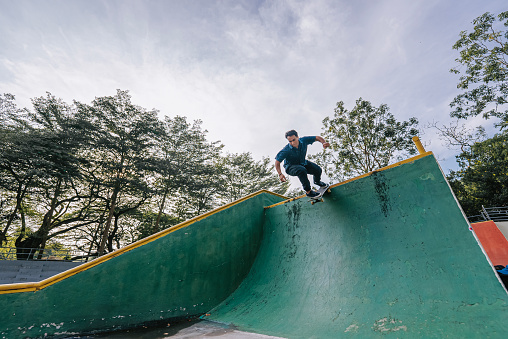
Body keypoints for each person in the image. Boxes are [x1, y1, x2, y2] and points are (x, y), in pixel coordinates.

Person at [275, 130, 330, 197]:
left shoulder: (304, 140)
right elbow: (277, 162)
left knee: (317, 169)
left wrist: (323, 142)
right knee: (301, 170)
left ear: (297, 137)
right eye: (290, 141)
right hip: (290, 167)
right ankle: (309, 192)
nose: (292, 143)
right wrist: (280, 174)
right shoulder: (286, 150)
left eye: (293, 140)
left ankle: (317, 182)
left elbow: (317, 137)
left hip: (302, 163)